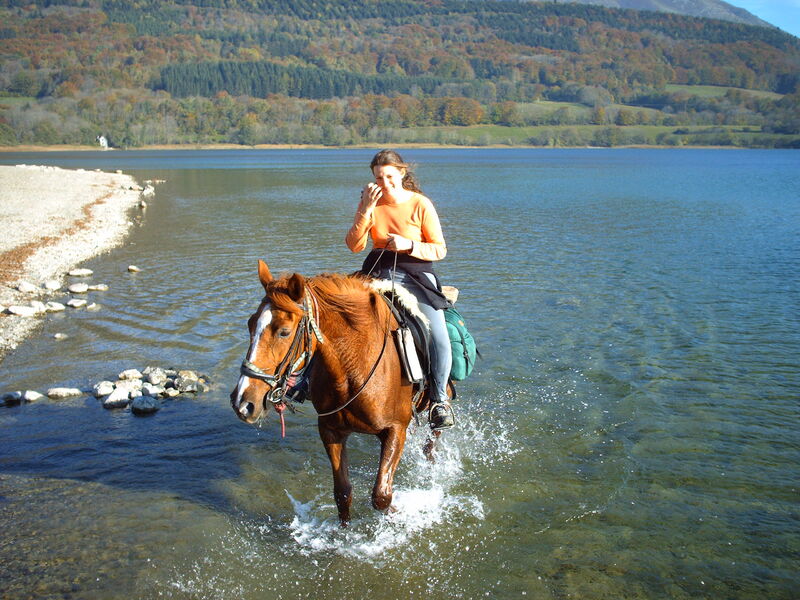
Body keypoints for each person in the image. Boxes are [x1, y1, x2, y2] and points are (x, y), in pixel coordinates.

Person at [346, 149, 454, 430]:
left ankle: (440, 401)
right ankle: (308, 381)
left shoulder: (420, 203)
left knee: (438, 334)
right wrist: (365, 209)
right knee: (340, 314)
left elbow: (440, 249)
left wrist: (409, 245)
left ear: (402, 174)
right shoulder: (371, 202)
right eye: (379, 177)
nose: (385, 182)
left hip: (416, 272)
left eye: (390, 176)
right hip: (377, 269)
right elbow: (354, 246)